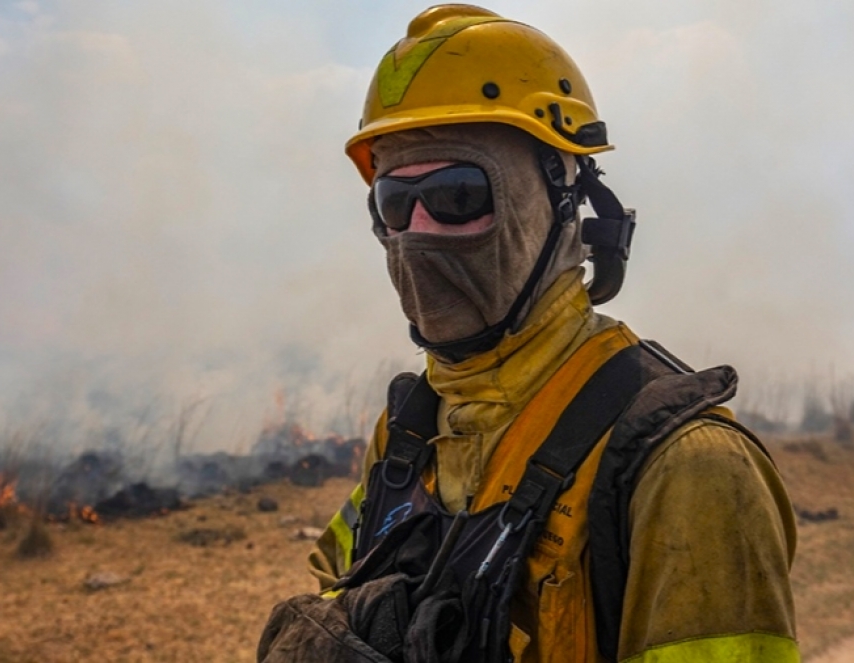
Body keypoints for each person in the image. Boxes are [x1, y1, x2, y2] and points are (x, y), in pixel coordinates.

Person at [258, 5, 798, 662]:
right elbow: (336, 584)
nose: (418, 231)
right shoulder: (410, 428)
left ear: (566, 207)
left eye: (459, 193)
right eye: (393, 202)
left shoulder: (690, 466)